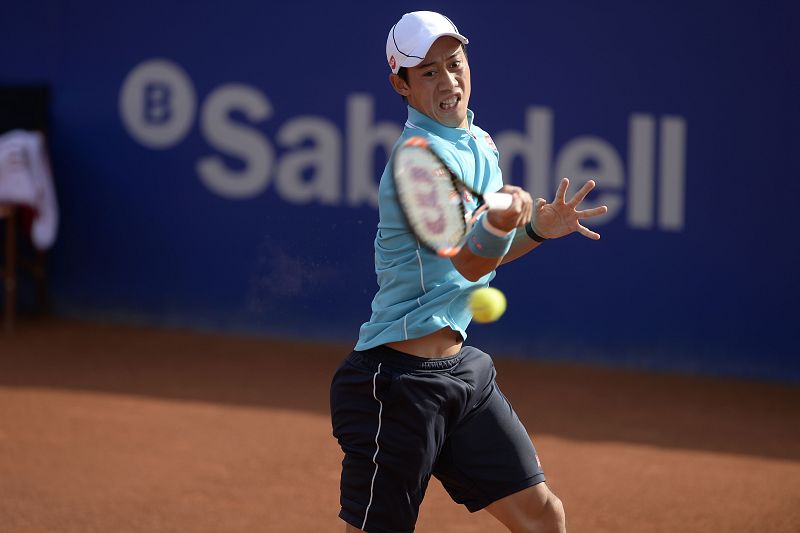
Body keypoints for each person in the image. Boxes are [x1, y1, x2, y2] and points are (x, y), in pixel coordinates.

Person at [330, 11, 607, 533]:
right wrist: (502, 223)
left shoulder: (480, 143)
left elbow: (486, 253)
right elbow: (470, 259)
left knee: (543, 516)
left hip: (460, 375)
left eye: (454, 63)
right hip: (397, 384)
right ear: (401, 85)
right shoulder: (417, 164)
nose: (448, 80)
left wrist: (536, 229)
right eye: (428, 72)